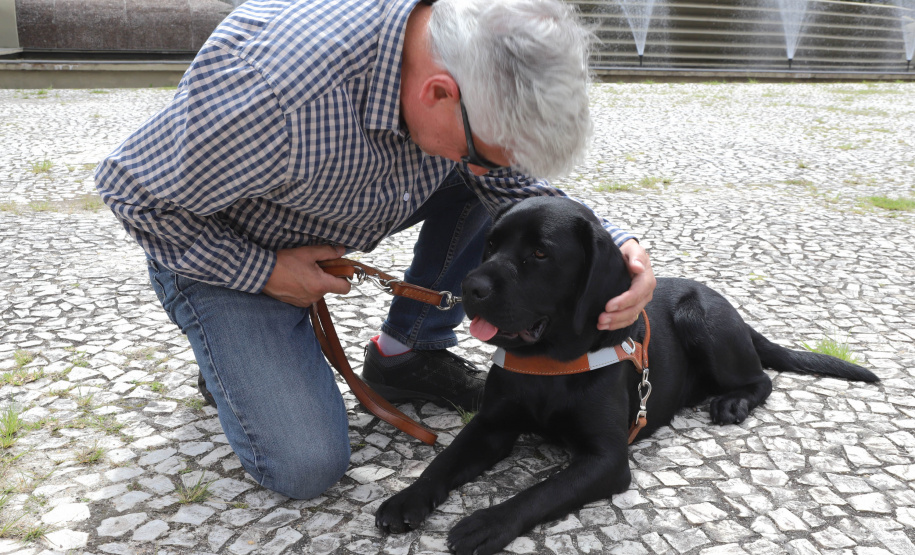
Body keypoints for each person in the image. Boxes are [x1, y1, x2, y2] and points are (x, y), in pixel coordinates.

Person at [95, 0, 656, 499]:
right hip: (224, 245)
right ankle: (226, 354)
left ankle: (407, 350)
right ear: (439, 93)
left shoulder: (454, 53)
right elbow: (131, 192)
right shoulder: (272, 91)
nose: (493, 171)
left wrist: (619, 245)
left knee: (484, 185)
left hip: (337, 200)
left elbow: (513, 188)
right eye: (484, 151)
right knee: (306, 467)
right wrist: (265, 272)